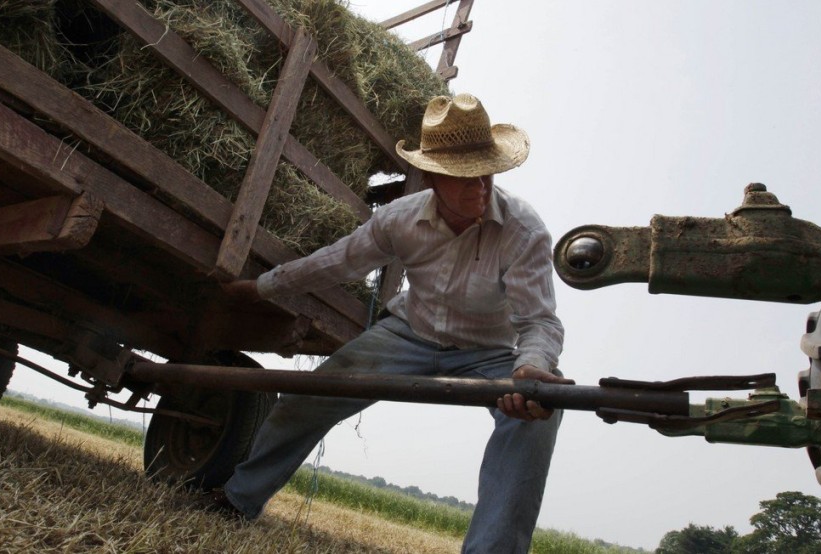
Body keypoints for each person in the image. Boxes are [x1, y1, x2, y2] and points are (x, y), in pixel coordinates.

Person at [218, 93, 571, 554]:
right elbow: (335, 263)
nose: (480, 188)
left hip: (491, 353)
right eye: (463, 178)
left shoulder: (524, 231)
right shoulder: (399, 218)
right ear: (430, 178)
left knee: (538, 414)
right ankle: (237, 499)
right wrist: (261, 287)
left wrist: (531, 369)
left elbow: (539, 320)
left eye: (486, 172)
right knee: (308, 397)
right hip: (410, 334)